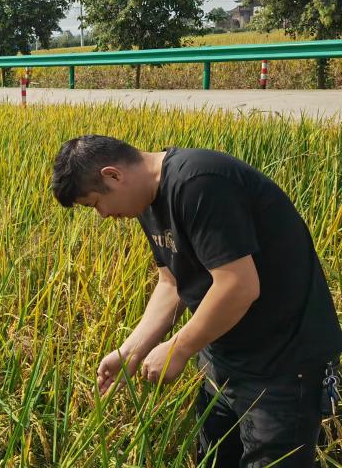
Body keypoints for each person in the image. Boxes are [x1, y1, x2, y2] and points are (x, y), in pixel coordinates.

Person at [50, 135, 342, 466]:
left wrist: (178, 348)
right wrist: (132, 351)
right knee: (214, 459)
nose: (103, 215)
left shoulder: (200, 183)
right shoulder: (147, 202)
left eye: (95, 204)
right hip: (224, 360)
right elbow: (172, 281)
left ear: (113, 175)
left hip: (281, 367)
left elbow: (239, 286)